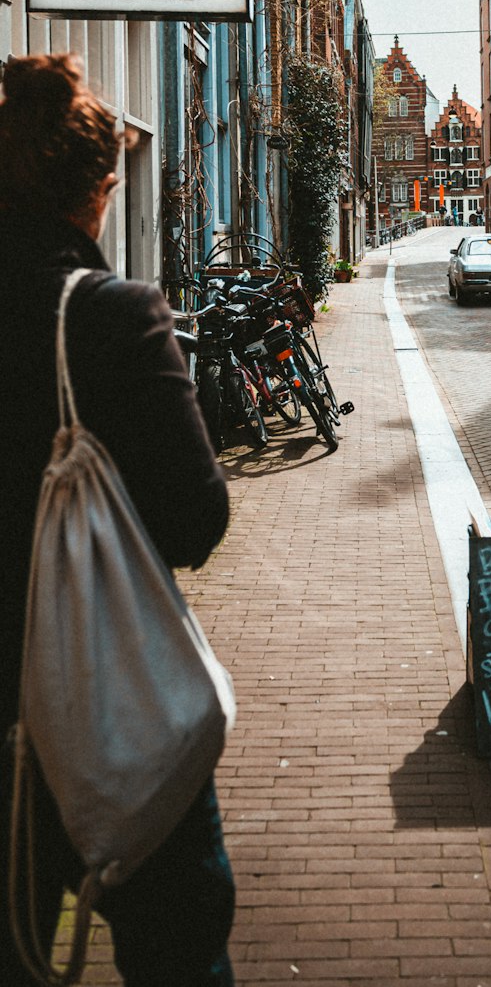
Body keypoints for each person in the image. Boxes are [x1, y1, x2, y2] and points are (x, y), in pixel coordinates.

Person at [0, 54, 235, 987]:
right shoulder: (112, 314)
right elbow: (196, 521)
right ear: (97, 192)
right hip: (104, 702)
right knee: (178, 947)